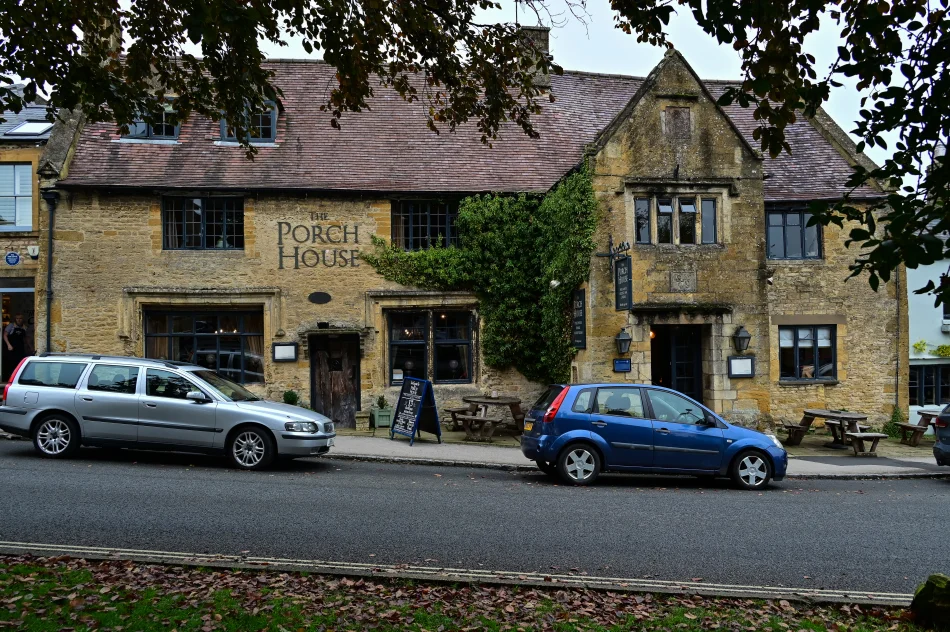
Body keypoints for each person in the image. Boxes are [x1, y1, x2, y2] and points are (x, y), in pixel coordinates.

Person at [3, 314, 30, 381]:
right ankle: (9, 378)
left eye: (20, 318)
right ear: (15, 319)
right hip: (11, 349)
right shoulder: (11, 326)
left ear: (22, 319)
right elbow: (5, 335)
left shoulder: (24, 327)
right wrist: (8, 345)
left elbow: (26, 339)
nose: (19, 320)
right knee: (10, 363)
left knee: (19, 364)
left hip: (20, 349)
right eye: (17, 318)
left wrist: (30, 347)